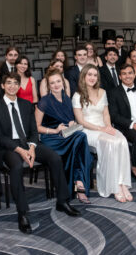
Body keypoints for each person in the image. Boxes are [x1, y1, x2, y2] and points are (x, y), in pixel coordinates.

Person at [0, 72, 80, 234]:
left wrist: (31, 147)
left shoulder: (26, 104)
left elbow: (33, 130)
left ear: (19, 86)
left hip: (27, 143)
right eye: (8, 83)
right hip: (8, 147)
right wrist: (20, 150)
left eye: (15, 83)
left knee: (55, 158)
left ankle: (62, 201)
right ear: (2, 86)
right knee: (16, 167)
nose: (12, 86)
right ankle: (22, 213)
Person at [72, 65, 132, 202]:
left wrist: (109, 127)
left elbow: (106, 114)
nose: (92, 78)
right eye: (89, 75)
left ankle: (122, 182)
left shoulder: (102, 92)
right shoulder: (77, 96)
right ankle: (114, 186)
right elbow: (80, 121)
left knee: (121, 140)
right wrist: (101, 129)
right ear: (83, 76)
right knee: (110, 143)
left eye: (95, 75)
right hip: (88, 130)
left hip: (104, 126)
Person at [36, 70, 94, 203]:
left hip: (67, 135)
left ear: (63, 82)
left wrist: (72, 123)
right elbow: (36, 127)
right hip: (51, 138)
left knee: (79, 137)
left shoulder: (67, 99)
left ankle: (77, 183)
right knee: (80, 138)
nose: (56, 85)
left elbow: (70, 121)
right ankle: (79, 184)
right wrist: (55, 131)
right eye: (52, 83)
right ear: (48, 86)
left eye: (58, 81)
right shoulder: (44, 102)